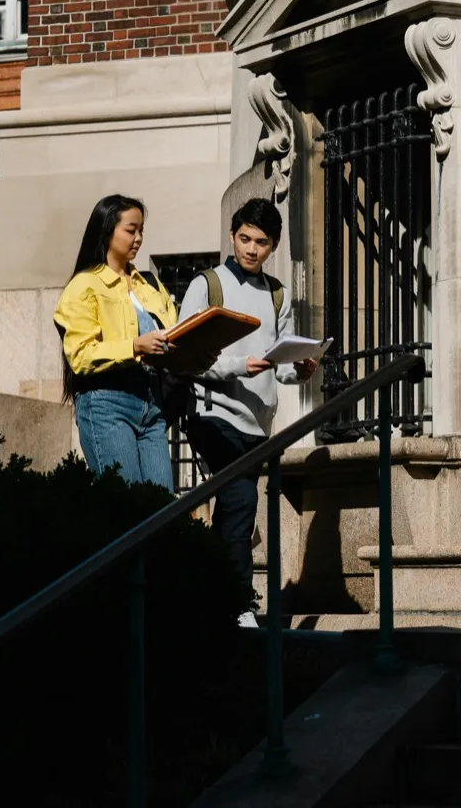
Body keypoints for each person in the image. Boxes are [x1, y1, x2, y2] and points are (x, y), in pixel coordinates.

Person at [179, 198, 318, 627]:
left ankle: (211, 597)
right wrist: (240, 366)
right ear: (232, 235)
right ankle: (239, 604)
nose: (251, 249)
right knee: (240, 500)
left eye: (260, 242)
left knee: (235, 510)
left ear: (272, 246)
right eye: (244, 238)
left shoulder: (277, 294)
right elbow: (187, 356)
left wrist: (302, 368)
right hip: (212, 412)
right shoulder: (207, 284)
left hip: (256, 422)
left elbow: (281, 366)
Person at [53, 194, 182, 489]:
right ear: (107, 230)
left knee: (162, 507)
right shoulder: (84, 285)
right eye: (130, 230)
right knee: (127, 507)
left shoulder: (149, 283)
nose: (138, 238)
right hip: (106, 403)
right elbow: (81, 356)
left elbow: (173, 333)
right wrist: (135, 346)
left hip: (151, 405)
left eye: (141, 232)